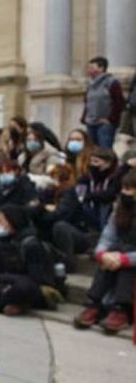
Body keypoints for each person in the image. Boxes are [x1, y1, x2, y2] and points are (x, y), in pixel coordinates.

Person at [73, 170, 136, 334]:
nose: (124, 193)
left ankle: (121, 308)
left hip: (130, 260)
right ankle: (94, 303)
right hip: (120, 257)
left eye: (129, 189)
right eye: (124, 188)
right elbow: (108, 236)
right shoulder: (120, 209)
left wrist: (125, 259)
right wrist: (103, 254)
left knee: (124, 252)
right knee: (113, 250)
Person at [0, 204, 57, 316]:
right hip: (6, 284)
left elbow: (35, 279)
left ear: (13, 222)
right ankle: (10, 304)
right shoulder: (1, 240)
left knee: (22, 288)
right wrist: (1, 282)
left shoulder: (31, 245)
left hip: (32, 288)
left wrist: (2, 278)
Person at [81, 56, 125, 149]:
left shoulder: (112, 83)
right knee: (92, 149)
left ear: (101, 68)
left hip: (105, 124)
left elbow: (119, 102)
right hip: (90, 122)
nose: (89, 70)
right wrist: (84, 117)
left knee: (105, 149)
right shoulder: (90, 85)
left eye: (92, 67)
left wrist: (111, 119)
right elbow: (87, 102)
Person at [79, 147, 122, 232]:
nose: (92, 164)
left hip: (108, 214)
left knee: (105, 204)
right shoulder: (88, 177)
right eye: (91, 161)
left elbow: (108, 195)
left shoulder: (116, 178)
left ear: (108, 164)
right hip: (91, 213)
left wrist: (89, 196)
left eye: (96, 161)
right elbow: (79, 193)